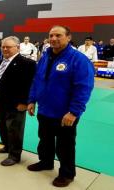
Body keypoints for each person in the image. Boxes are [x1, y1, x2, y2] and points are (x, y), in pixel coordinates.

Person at [27, 25, 94, 187]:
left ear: (68, 38)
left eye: (58, 35)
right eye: (51, 35)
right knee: (45, 140)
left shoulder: (78, 59)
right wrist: (31, 100)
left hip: (65, 113)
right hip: (44, 109)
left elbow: (83, 88)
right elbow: (37, 80)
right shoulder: (45, 56)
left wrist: (74, 112)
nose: (54, 39)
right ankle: (46, 162)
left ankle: (67, 173)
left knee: (65, 145)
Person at [0, 36, 36, 166]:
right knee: (2, 126)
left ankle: (15, 155)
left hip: (16, 103)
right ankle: (7, 146)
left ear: (17, 48)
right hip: (0, 101)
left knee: (14, 129)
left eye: (8, 47)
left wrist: (25, 102)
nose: (5, 49)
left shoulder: (27, 63)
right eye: (3, 46)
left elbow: (29, 84)